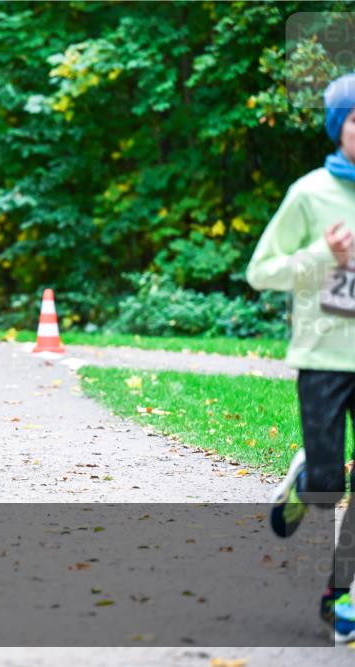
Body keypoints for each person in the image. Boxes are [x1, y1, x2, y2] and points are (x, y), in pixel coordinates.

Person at [246, 73, 355, 643]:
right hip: (324, 356)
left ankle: (340, 599)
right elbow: (260, 271)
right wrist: (322, 254)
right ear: (340, 129)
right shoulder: (310, 193)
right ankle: (307, 477)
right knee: (326, 487)